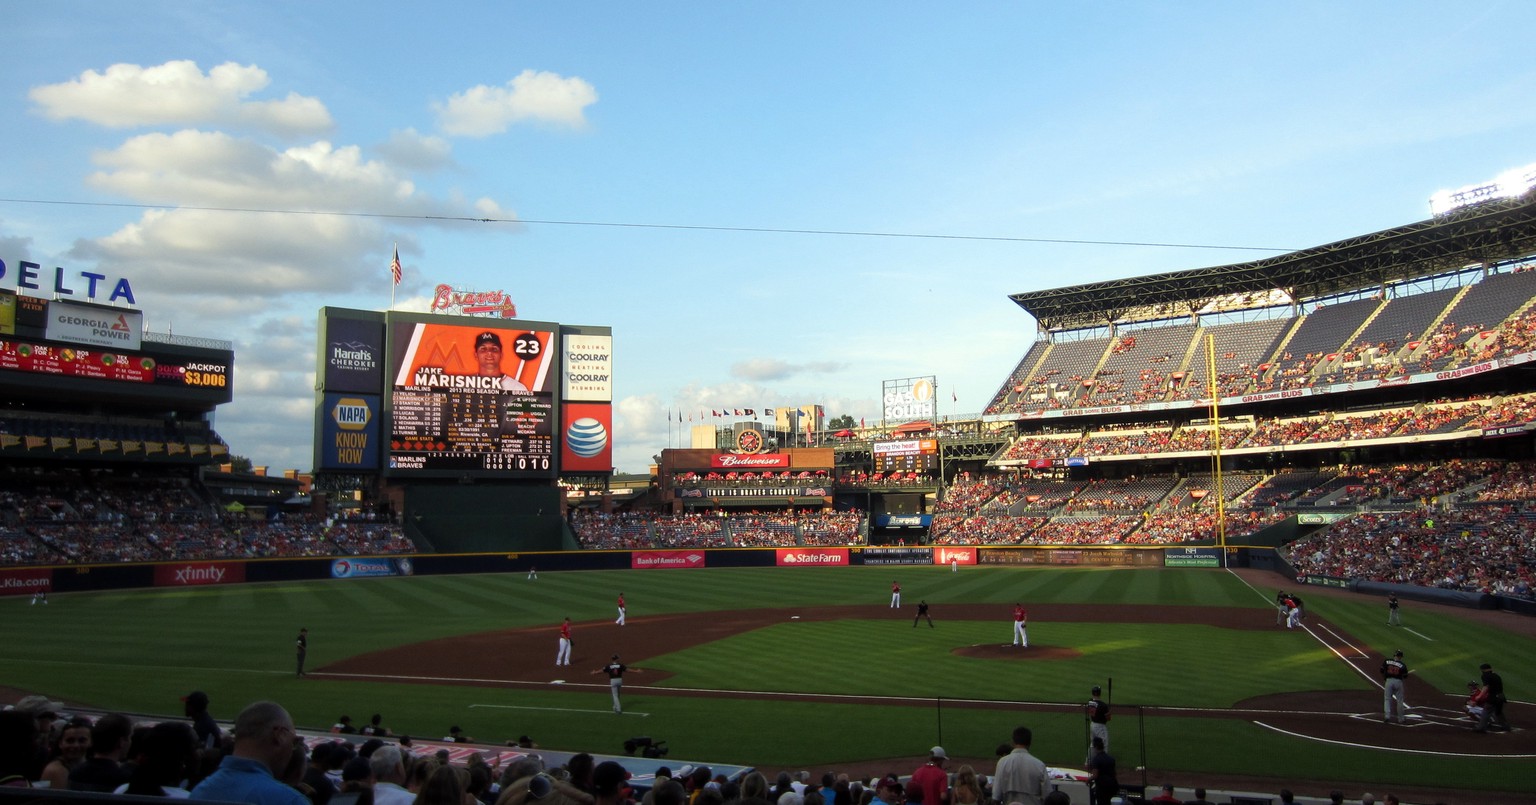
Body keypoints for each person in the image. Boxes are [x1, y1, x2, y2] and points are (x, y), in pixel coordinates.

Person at [189, 700, 309, 805]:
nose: (292, 750)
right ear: (279, 735)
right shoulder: (290, 800)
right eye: (293, 742)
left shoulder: (198, 792)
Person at [67, 712, 133, 792]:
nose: (130, 742)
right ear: (121, 742)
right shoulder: (124, 779)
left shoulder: (75, 772)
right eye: (129, 738)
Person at [992, 726, 1047, 805]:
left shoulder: (1002, 762)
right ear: (1030, 743)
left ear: (1013, 742)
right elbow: (1047, 795)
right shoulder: (1039, 765)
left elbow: (996, 797)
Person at [39, 715, 91, 789]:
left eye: (82, 740)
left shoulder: (88, 764)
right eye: (70, 741)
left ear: (91, 742)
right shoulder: (55, 770)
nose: (76, 745)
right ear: (60, 743)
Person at [1474, 662, 1509, 732]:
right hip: (1501, 696)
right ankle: (1506, 727)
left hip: (1493, 697)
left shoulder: (1485, 676)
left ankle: (1481, 728)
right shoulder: (1496, 675)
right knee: (1498, 712)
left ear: (1483, 670)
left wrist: (1479, 696)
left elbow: (1486, 687)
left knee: (1486, 711)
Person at [1084, 737, 1117, 805]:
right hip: (1113, 785)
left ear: (1095, 747)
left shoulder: (1096, 759)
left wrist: (1088, 780)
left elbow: (1095, 775)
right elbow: (1114, 773)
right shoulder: (1111, 758)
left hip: (1103, 787)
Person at [1380, 650, 1408, 724]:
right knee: (1400, 700)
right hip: (1398, 682)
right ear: (1400, 657)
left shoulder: (1387, 661)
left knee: (1387, 699)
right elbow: (1405, 676)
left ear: (1394, 655)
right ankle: (1401, 719)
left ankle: (1387, 716)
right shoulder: (1402, 665)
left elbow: (1381, 670)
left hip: (1388, 681)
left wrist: (1386, 677)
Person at [1086, 685, 1110, 757]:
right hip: (1100, 726)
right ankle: (1104, 760)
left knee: (1093, 744)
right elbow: (1108, 718)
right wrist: (1109, 712)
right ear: (1100, 693)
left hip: (1092, 724)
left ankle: (1088, 762)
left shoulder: (1090, 702)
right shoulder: (1103, 705)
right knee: (1104, 743)